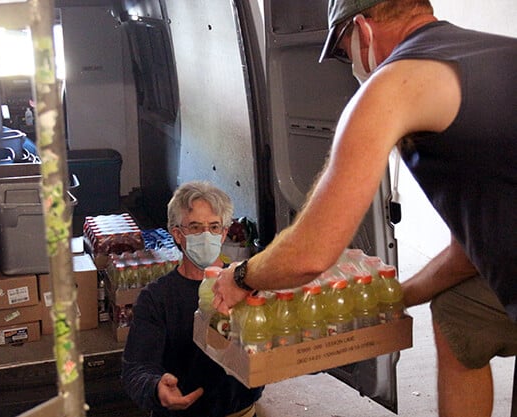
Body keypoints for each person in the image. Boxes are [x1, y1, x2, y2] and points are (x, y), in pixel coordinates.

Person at [212, 0, 517, 416]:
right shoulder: (496, 52)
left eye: (341, 49)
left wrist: (242, 277)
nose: (348, 62)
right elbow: (470, 252)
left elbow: (310, 254)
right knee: (458, 313)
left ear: (363, 30)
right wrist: (396, 297)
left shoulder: (391, 83)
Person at [121, 180, 263, 417]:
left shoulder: (245, 286)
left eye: (214, 227)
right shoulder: (158, 298)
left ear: (224, 233)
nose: (206, 235)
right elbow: (136, 368)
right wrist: (156, 387)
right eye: (195, 227)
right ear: (177, 234)